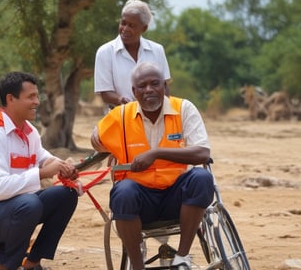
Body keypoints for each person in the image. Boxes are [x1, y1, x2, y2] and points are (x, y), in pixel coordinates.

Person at [91, 62, 214, 270]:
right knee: (122, 191)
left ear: (164, 86)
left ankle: (182, 257)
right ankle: (138, 266)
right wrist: (112, 148)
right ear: (134, 91)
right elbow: (95, 140)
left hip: (177, 197)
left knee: (202, 178)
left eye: (154, 84)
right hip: (139, 200)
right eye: (142, 86)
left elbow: (202, 153)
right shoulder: (120, 115)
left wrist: (156, 153)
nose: (149, 90)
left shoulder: (183, 108)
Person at [0, 71, 79, 270]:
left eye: (37, 96)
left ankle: (32, 263)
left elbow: (43, 157)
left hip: (18, 208)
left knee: (67, 195)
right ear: (10, 99)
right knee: (29, 203)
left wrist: (64, 166)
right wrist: (43, 173)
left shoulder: (29, 131)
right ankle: (7, 267)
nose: (37, 102)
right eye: (31, 97)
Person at [94, 0, 171, 109]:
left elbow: (164, 87)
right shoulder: (105, 52)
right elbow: (105, 94)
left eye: (132, 25)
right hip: (121, 117)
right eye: (123, 23)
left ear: (143, 28)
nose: (125, 29)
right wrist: (121, 101)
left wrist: (162, 108)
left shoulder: (157, 50)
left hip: (154, 117)